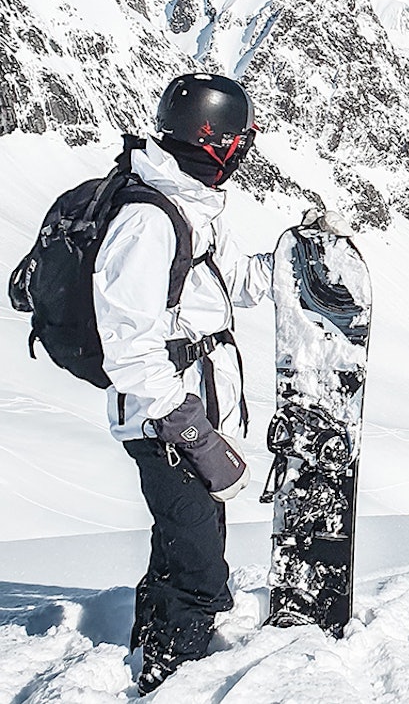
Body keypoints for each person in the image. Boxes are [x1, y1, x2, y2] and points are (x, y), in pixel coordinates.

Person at [94, 72, 272, 694]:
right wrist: (186, 423)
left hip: (184, 406)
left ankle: (150, 642)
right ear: (212, 139)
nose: (243, 153)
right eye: (238, 141)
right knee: (200, 562)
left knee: (182, 537)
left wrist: (286, 265)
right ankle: (174, 678)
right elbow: (127, 338)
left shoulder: (187, 204)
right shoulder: (150, 220)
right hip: (160, 415)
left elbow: (215, 291)